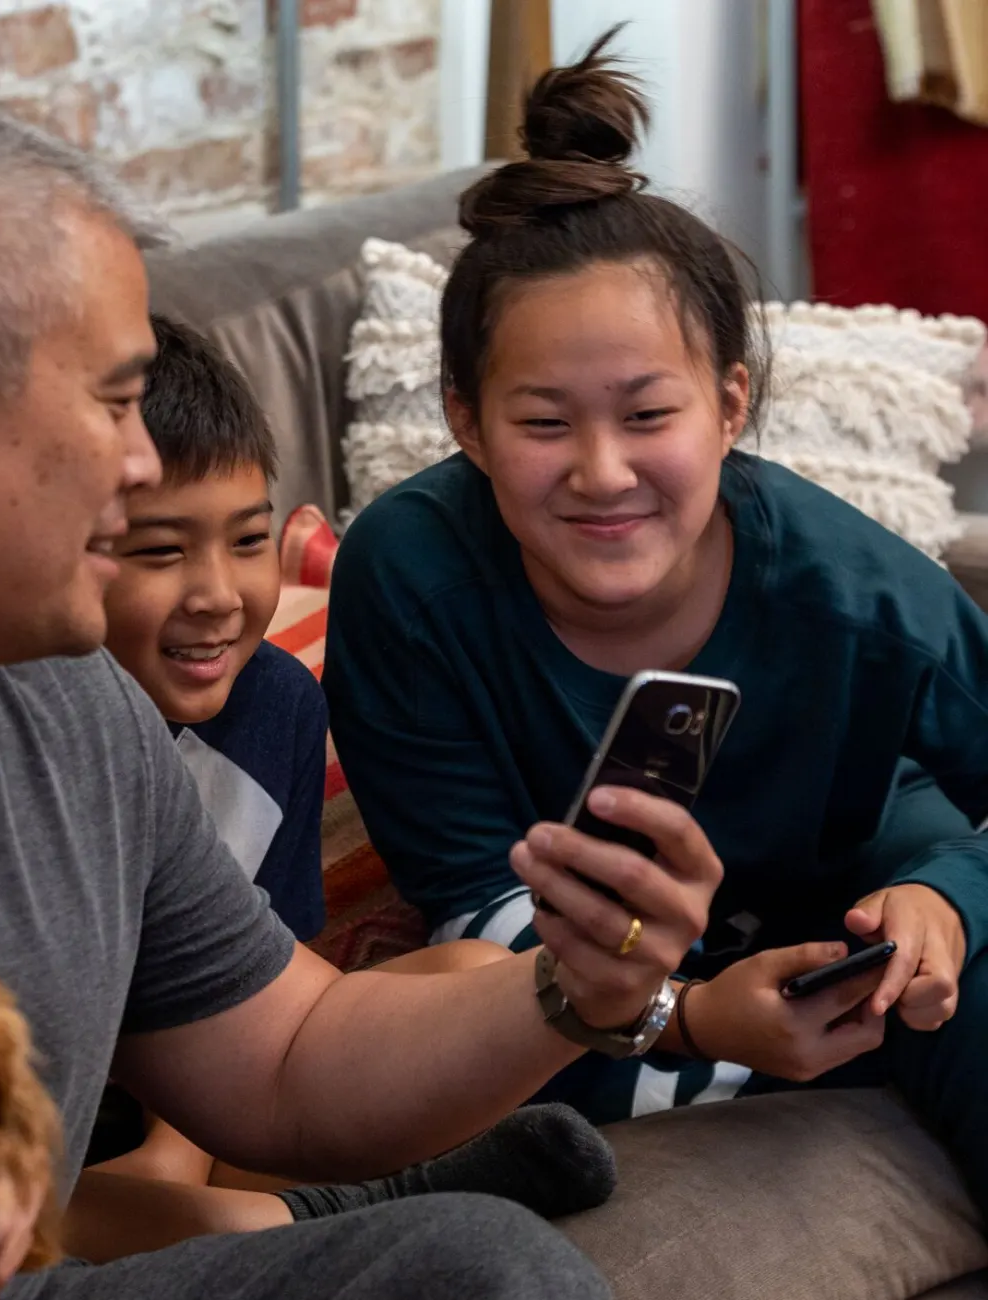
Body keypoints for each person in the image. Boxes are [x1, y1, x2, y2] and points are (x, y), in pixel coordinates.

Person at [0, 87, 718, 1300]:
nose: (141, 458)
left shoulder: (63, 695)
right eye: (114, 400)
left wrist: (571, 986)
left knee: (475, 1270)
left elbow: (287, 1063)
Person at [323, 31, 988, 1208]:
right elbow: (473, 904)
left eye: (646, 416)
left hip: (848, 909)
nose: (602, 472)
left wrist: (947, 898)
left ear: (730, 405)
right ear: (466, 423)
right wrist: (690, 1016)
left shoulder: (858, 592)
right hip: (556, 968)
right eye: (543, 423)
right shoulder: (408, 578)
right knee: (450, 1011)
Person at [65, 314, 613, 1262]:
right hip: (45, 1126)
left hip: (209, 1084)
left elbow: (250, 999)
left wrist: (176, 1156)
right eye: (160, 552)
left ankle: (230, 1215)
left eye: (248, 541)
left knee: (476, 975)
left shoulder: (275, 705)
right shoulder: (35, 732)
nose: (218, 595)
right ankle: (301, 1221)